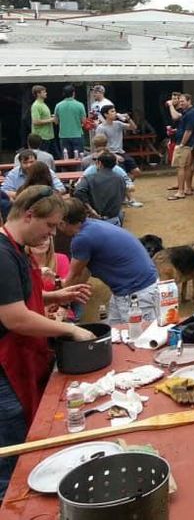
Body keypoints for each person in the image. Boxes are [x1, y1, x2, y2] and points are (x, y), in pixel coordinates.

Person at [0, 189, 94, 500]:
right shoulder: (2, 254)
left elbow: (17, 297)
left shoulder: (15, 248)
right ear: (28, 215)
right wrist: (68, 330)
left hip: (21, 354)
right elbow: (15, 317)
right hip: (5, 367)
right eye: (50, 225)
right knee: (11, 447)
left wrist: (55, 296)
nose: (52, 234)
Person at [59, 198, 160, 323]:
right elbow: (84, 271)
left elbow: (74, 275)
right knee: (116, 333)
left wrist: (61, 303)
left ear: (63, 223)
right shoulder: (92, 225)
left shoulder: (82, 238)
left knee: (138, 337)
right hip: (136, 287)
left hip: (136, 291)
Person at [74, 152, 127, 226]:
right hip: (113, 220)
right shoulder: (120, 179)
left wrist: (90, 209)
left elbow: (78, 192)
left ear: (99, 163)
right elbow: (123, 195)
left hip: (94, 219)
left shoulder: (89, 178)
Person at [168, 93, 194, 200]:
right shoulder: (186, 112)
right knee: (186, 166)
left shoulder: (191, 113)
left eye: (183, 101)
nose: (181, 103)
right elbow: (184, 127)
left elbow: (189, 130)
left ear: (189, 101)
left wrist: (181, 144)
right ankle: (188, 189)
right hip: (185, 143)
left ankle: (180, 191)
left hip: (184, 144)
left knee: (180, 167)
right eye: (180, 101)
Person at [53, 85, 87, 159]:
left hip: (63, 135)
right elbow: (84, 121)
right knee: (79, 158)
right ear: (73, 93)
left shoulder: (58, 105)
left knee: (66, 157)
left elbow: (55, 121)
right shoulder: (80, 105)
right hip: (77, 134)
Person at [29, 85, 58, 157]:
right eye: (44, 92)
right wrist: (51, 119)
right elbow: (35, 121)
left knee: (55, 156)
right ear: (38, 94)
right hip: (41, 136)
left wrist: (51, 117)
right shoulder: (36, 105)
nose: (46, 93)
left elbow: (44, 118)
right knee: (43, 156)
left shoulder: (43, 104)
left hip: (49, 136)